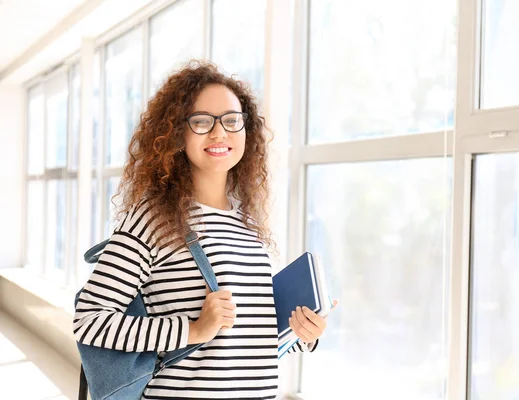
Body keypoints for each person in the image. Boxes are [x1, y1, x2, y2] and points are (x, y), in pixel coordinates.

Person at [73, 61, 335, 399]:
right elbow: (89, 321)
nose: (219, 132)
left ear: (246, 129)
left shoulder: (247, 223)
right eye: (201, 121)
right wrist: (192, 330)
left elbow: (243, 344)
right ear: (176, 134)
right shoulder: (153, 218)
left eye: (231, 120)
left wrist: (303, 335)